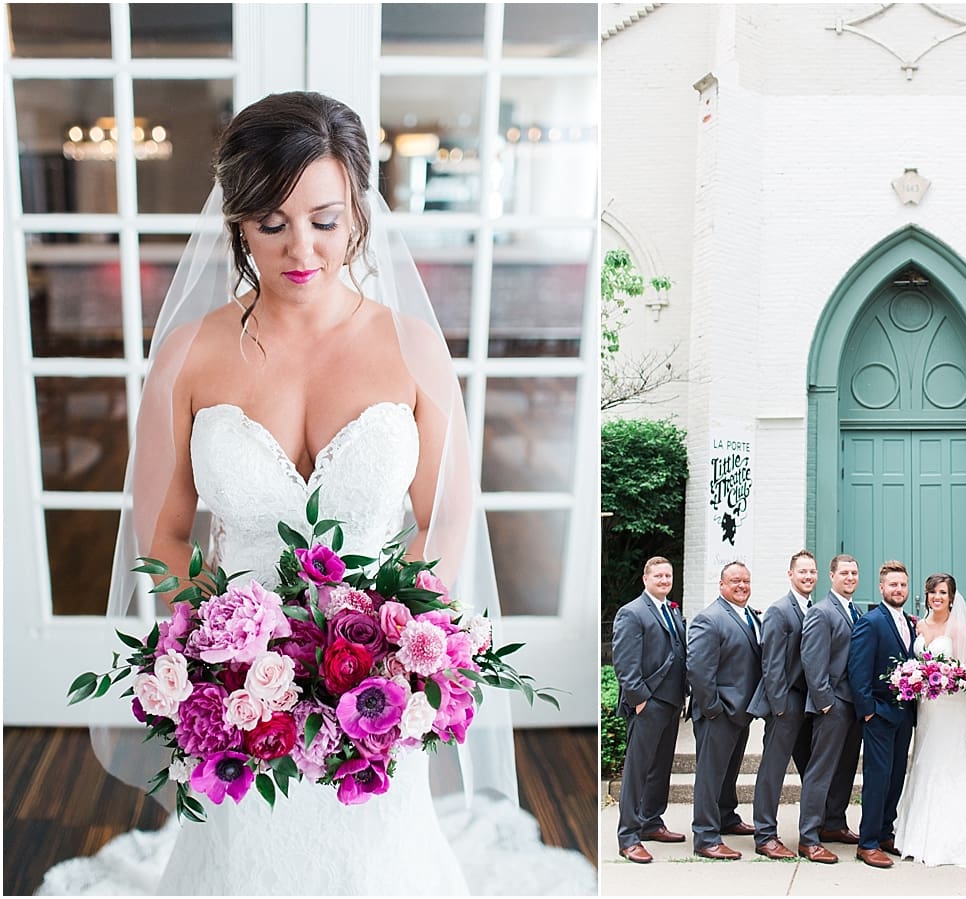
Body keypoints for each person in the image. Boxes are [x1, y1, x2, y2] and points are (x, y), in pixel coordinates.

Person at [67, 92, 595, 896]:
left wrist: (401, 645)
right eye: (271, 223)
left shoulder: (411, 347)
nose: (301, 248)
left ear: (360, 211)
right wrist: (221, 658)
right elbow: (165, 534)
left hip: (377, 685)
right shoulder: (187, 355)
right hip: (239, 697)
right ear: (238, 222)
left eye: (325, 219)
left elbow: (447, 512)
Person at [892, 573, 966, 867]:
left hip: (951, 703)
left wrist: (939, 682)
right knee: (925, 758)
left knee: (949, 756)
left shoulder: (959, 627)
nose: (936, 597)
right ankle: (917, 834)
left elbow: (964, 672)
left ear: (952, 597)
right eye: (932, 592)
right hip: (926, 705)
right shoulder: (920, 625)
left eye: (942, 592)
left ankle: (956, 835)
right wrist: (916, 680)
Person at [611, 557, 688, 863]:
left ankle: (651, 822)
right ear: (645, 579)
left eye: (668, 575)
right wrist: (639, 699)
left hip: (671, 702)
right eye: (658, 575)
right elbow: (625, 663)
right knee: (637, 771)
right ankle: (628, 836)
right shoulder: (632, 612)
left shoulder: (672, 610)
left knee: (660, 768)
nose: (664, 579)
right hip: (648, 702)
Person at [687, 561, 762, 860]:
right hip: (718, 714)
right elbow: (698, 669)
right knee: (710, 774)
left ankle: (726, 817)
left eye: (745, 580)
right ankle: (706, 837)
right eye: (734, 581)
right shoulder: (710, 618)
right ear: (721, 585)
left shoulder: (750, 616)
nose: (741, 585)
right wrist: (713, 709)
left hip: (740, 712)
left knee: (729, 772)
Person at [747, 550, 818, 860]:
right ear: (791, 574)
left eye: (812, 572)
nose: (807, 576)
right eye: (802, 571)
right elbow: (771, 662)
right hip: (786, 701)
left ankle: (818, 826)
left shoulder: (814, 608)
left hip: (808, 703)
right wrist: (778, 706)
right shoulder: (779, 610)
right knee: (773, 769)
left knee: (810, 769)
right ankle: (764, 835)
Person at [847, 560, 918, 869]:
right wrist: (868, 713)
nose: (898, 589)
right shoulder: (871, 621)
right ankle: (868, 842)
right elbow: (857, 671)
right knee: (877, 778)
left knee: (895, 777)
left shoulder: (910, 623)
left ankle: (887, 832)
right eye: (892, 585)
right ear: (881, 588)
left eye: (902, 585)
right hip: (879, 713)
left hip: (904, 715)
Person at [796, 554, 863, 863]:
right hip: (832, 704)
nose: (850, 578)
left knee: (845, 770)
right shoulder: (822, 612)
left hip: (853, 705)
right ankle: (809, 837)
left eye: (854, 573)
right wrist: (824, 703)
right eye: (844, 573)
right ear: (832, 576)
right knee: (820, 771)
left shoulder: (856, 610)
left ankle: (834, 823)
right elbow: (812, 661)